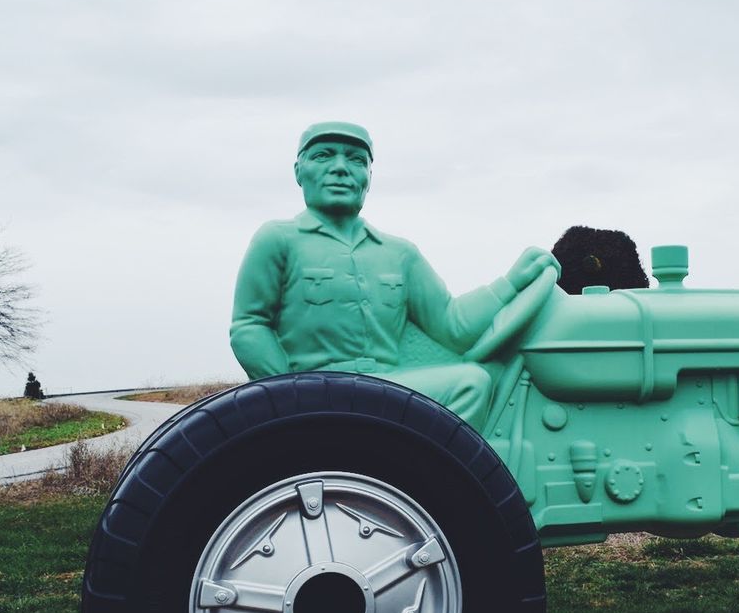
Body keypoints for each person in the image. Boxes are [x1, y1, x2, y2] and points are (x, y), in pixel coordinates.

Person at [230, 121, 558, 429]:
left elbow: (453, 325)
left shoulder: (400, 253)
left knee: (472, 382)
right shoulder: (277, 239)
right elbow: (249, 326)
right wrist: (290, 393)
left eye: (357, 160)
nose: (341, 168)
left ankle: (430, 478)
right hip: (318, 387)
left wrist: (512, 282)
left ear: (368, 176)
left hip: (389, 387)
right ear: (299, 171)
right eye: (323, 155)